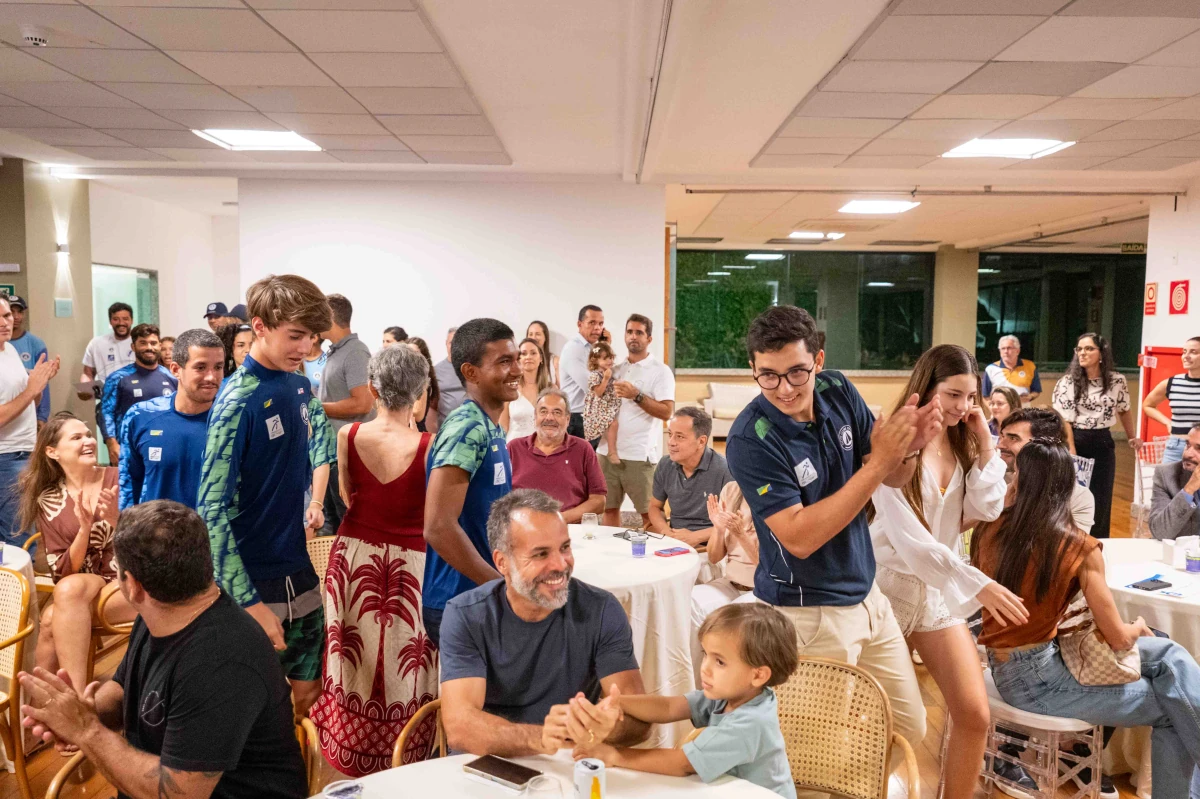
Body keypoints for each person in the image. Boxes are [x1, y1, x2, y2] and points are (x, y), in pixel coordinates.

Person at [725, 305, 943, 776]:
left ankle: (852, 785)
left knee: (908, 725)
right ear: (753, 369)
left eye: (796, 372)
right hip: (806, 613)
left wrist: (908, 449)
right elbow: (800, 538)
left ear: (818, 361)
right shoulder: (750, 439)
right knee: (811, 758)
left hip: (868, 597)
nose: (785, 388)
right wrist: (880, 462)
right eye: (768, 376)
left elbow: (891, 476)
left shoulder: (837, 389)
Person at [20, 500, 308, 799]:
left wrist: (86, 730)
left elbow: (179, 793)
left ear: (133, 586)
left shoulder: (220, 661)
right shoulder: (159, 615)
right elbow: (125, 687)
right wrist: (85, 712)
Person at [974, 440, 1200, 799]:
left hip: (1010, 664)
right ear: (1068, 485)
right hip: (1038, 679)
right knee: (1174, 707)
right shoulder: (1077, 545)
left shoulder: (989, 529)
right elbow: (1119, 639)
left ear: (1020, 478)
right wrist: (1138, 628)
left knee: (1171, 656)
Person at [868, 344, 1020, 799]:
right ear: (926, 388)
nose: (963, 406)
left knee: (974, 713)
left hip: (937, 594)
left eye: (971, 397)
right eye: (953, 394)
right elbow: (911, 542)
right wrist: (979, 583)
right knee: (878, 720)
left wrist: (986, 441)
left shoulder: (962, 441)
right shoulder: (894, 439)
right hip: (886, 588)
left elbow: (987, 507)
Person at [197, 274, 335, 716]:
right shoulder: (237, 401)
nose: (305, 347)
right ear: (259, 326)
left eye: (312, 337)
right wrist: (249, 602)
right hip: (252, 581)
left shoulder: (298, 385)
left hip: (300, 569)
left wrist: (317, 500)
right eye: (295, 335)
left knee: (307, 696)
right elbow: (210, 510)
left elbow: (322, 443)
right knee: (257, 711)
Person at [438, 489, 650, 755]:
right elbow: (460, 728)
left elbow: (639, 721)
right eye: (540, 554)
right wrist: (543, 738)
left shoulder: (602, 610)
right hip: (487, 762)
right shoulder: (466, 615)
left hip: (570, 763)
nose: (560, 565)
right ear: (502, 562)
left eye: (565, 548)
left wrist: (609, 726)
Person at [309, 345, 438, 776]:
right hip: (412, 566)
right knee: (408, 664)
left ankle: (349, 747)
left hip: (354, 558)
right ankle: (406, 753)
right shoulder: (429, 445)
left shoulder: (348, 435)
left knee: (349, 658)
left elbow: (347, 496)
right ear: (419, 392)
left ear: (374, 388)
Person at [572, 603, 798, 798]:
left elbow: (683, 763)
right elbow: (669, 707)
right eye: (706, 654)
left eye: (720, 662)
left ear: (758, 675)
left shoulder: (750, 723)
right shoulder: (734, 696)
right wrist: (620, 701)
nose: (705, 668)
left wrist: (615, 756)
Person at [422, 318, 519, 646]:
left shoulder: (490, 426)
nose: (517, 370)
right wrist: (500, 587)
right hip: (461, 600)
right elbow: (438, 527)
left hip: (480, 595)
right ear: (471, 372)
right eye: (504, 362)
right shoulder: (466, 428)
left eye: (516, 359)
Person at [20, 414, 133, 693]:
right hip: (82, 588)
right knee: (69, 589)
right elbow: (63, 572)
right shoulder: (49, 499)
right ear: (52, 452)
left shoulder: (122, 478)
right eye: (76, 437)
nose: (88, 441)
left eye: (88, 435)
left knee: (50, 619)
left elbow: (153, 544)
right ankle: (71, 703)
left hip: (132, 581)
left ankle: (61, 706)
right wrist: (84, 530)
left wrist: (118, 521)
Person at [119, 328, 224, 509]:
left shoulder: (232, 420)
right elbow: (129, 487)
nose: (211, 377)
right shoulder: (141, 416)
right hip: (154, 526)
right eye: (200, 367)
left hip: (212, 527)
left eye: (218, 367)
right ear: (176, 369)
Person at [1052, 332, 1140, 539]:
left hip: (1102, 441)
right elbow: (1064, 419)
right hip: (1075, 439)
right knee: (1073, 494)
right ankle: (1071, 540)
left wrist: (1131, 437)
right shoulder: (1067, 382)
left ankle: (1099, 542)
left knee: (1101, 496)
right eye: (1079, 349)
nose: (1083, 353)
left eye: (1089, 348)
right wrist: (1071, 449)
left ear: (1101, 353)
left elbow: (1124, 409)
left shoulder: (1117, 380)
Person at [598, 315, 675, 529]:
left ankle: (657, 551)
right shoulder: (615, 369)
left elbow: (667, 412)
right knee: (609, 509)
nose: (633, 336)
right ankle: (612, 549)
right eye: (630, 332)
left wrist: (636, 395)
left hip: (639, 455)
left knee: (651, 514)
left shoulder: (660, 371)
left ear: (649, 338)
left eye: (639, 332)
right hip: (606, 453)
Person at [0, 296, 59, 546]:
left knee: (17, 535)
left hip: (24, 451)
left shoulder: (10, 351)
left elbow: (28, 405)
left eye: (6, 315)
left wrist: (38, 386)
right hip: (6, 456)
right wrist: (31, 389)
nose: (5, 322)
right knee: (19, 536)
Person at [319, 294, 375, 536]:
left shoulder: (355, 352)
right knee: (333, 522)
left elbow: (363, 403)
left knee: (351, 520)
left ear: (330, 316)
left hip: (351, 454)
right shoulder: (336, 352)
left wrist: (317, 407)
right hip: (334, 451)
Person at [508, 388, 607, 522]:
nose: (549, 417)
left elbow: (599, 501)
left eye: (557, 412)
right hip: (523, 528)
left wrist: (558, 520)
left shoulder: (583, 449)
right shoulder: (514, 448)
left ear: (567, 419)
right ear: (535, 417)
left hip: (569, 528)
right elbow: (498, 497)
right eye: (543, 411)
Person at [998, 407, 1095, 533]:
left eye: (1013, 438)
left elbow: (1072, 544)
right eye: (1002, 437)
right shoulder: (995, 484)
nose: (1000, 445)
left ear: (1042, 446)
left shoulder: (1077, 498)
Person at [649, 407, 731, 548]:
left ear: (701, 441)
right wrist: (666, 532)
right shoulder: (665, 464)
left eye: (679, 437)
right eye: (670, 434)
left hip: (712, 546)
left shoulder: (725, 469)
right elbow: (655, 507)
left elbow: (737, 521)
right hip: (674, 541)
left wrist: (695, 537)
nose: (671, 442)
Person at [100, 323, 177, 465]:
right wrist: (111, 443)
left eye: (153, 343)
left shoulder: (172, 377)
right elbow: (106, 412)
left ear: (159, 346)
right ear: (133, 347)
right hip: (128, 451)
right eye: (143, 343)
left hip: (165, 449)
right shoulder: (118, 378)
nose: (149, 347)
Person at [79, 302, 135, 439]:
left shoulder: (140, 343)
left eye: (125, 319)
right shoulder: (97, 343)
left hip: (137, 401)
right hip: (108, 404)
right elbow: (87, 372)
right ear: (110, 321)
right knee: (113, 445)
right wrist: (85, 388)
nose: (121, 323)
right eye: (116, 319)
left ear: (131, 320)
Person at [1142, 336, 1200, 464]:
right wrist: (1167, 423)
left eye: (1193, 352)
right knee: (1168, 478)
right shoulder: (1172, 383)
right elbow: (1148, 405)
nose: (1186, 356)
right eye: (1184, 352)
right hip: (1176, 446)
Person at [560, 305, 605, 439]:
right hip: (577, 418)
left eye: (600, 324)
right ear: (580, 324)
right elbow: (593, 387)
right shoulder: (575, 349)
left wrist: (605, 347)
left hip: (589, 416)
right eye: (592, 323)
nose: (597, 328)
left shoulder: (593, 348)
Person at [1149, 422, 1200, 540]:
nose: (1188, 454)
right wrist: (1189, 489)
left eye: (1199, 448)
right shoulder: (1166, 474)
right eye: (1187, 445)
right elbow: (1160, 532)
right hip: (1179, 549)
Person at [6, 295, 50, 427]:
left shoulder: (36, 344)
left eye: (20, 312)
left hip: (29, 413)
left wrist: (42, 416)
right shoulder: (3, 344)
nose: (16, 316)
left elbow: (43, 383)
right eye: (11, 312)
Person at [501, 338, 549, 443]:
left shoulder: (551, 389)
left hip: (544, 447)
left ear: (541, 358)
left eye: (533, 353)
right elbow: (502, 428)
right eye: (523, 354)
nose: (528, 357)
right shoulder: (509, 388)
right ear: (518, 359)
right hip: (514, 447)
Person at [584, 341, 621, 457]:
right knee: (613, 424)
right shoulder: (595, 375)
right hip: (598, 410)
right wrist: (605, 379)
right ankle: (611, 451)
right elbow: (599, 392)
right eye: (605, 358)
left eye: (611, 357)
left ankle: (610, 451)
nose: (610, 361)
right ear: (595, 360)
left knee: (613, 425)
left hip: (607, 408)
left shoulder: (609, 373)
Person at [982, 335, 1042, 404]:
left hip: (1023, 409)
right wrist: (993, 408)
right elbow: (985, 395)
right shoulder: (991, 369)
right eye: (1003, 348)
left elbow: (1036, 390)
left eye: (1009, 348)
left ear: (1018, 351)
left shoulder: (1030, 366)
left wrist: (1030, 397)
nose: (1006, 351)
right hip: (999, 410)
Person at [406, 336, 441, 435]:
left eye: (415, 353)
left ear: (424, 357)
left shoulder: (423, 380)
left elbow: (417, 414)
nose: (411, 357)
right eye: (407, 352)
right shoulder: (403, 378)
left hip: (416, 434)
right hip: (404, 434)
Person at [434, 326, 467, 421]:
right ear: (446, 343)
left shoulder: (471, 368)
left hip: (470, 424)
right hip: (446, 425)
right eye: (451, 343)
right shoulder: (436, 371)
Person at [526, 320, 560, 387]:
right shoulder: (522, 360)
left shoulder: (555, 361)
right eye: (530, 334)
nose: (533, 337)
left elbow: (562, 390)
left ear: (545, 337)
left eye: (538, 334)